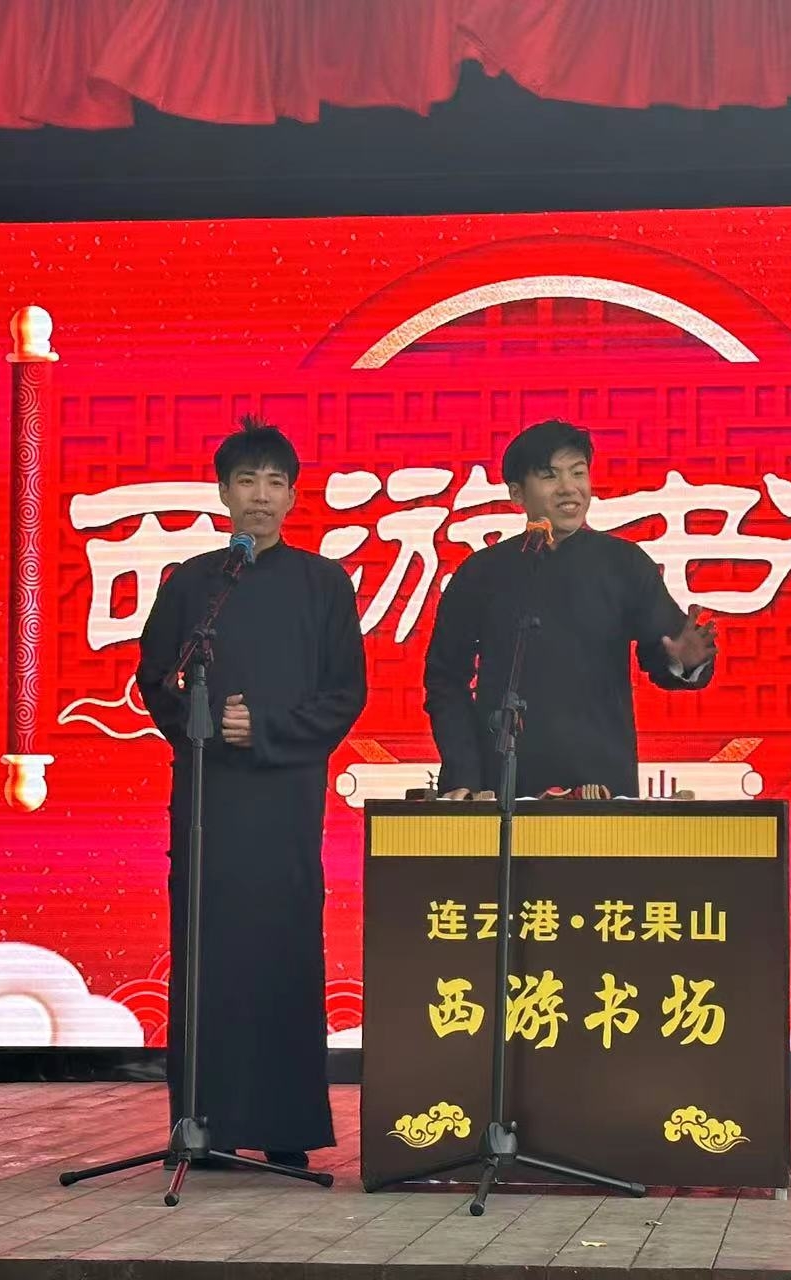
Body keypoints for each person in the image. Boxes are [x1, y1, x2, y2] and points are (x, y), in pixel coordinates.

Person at [137, 418, 366, 1168]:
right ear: (223, 493)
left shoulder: (323, 584)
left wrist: (262, 729)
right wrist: (198, 727)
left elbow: (345, 695)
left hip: (286, 802)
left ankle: (286, 1129)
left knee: (282, 952)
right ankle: (203, 1123)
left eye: (275, 483)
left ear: (293, 496)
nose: (260, 496)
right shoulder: (193, 584)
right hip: (209, 800)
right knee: (208, 956)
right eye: (247, 481)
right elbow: (154, 679)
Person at [423, 419, 719, 799]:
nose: (569, 488)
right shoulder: (482, 573)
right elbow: (446, 679)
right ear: (517, 493)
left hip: (602, 789)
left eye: (578, 473)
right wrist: (465, 776)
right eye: (550, 476)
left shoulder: (624, 564)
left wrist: (685, 662)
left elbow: (665, 656)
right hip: (502, 790)